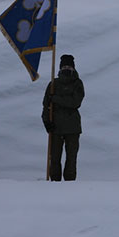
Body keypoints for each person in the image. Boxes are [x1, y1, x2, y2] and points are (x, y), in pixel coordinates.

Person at [42, 53, 85, 181]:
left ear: (73, 68)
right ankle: (54, 184)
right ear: (60, 68)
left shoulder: (78, 83)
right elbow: (46, 105)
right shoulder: (53, 84)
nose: (67, 68)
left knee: (71, 159)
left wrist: (56, 99)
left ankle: (70, 185)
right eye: (64, 66)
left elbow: (75, 102)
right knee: (54, 159)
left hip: (72, 128)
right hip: (56, 127)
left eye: (69, 66)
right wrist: (46, 122)